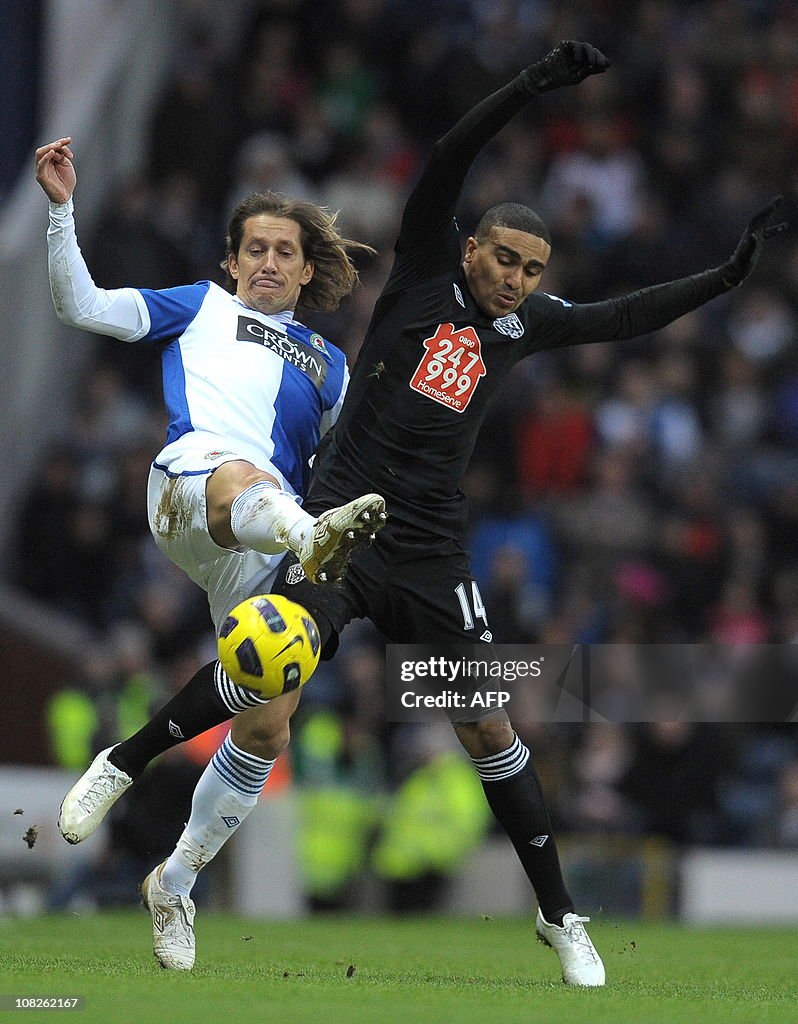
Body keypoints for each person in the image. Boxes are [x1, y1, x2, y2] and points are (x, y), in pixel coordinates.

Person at [53, 41, 786, 984]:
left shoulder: (523, 328)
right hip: (341, 526)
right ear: (474, 247)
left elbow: (628, 315)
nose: (515, 279)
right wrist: (528, 86)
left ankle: (562, 917)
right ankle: (129, 763)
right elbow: (446, 159)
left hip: (430, 554)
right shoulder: (424, 272)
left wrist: (726, 279)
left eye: (532, 268)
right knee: (268, 665)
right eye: (506, 259)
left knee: (485, 726)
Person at [35, 138, 388, 864]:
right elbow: (82, 307)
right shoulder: (197, 307)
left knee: (268, 723)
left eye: (284, 251)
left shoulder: (330, 365)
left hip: (257, 545)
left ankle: (176, 879)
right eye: (254, 248)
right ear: (231, 263)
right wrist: (62, 210)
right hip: (192, 486)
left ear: (306, 268)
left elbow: (342, 463)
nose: (268, 261)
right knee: (243, 474)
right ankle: (309, 536)